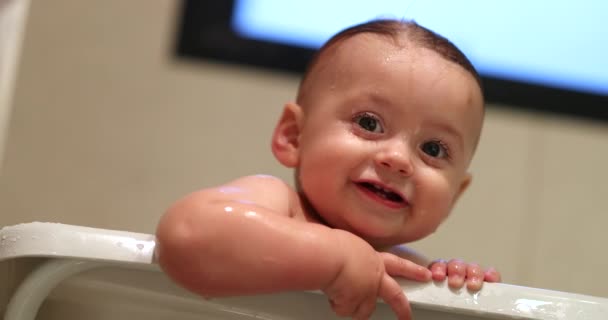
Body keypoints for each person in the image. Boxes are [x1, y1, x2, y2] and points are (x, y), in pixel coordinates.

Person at [155, 19, 501, 320]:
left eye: (433, 149)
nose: (398, 159)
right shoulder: (279, 205)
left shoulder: (411, 269)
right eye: (369, 122)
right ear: (294, 136)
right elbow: (185, 233)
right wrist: (334, 257)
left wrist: (456, 287)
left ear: (455, 195)